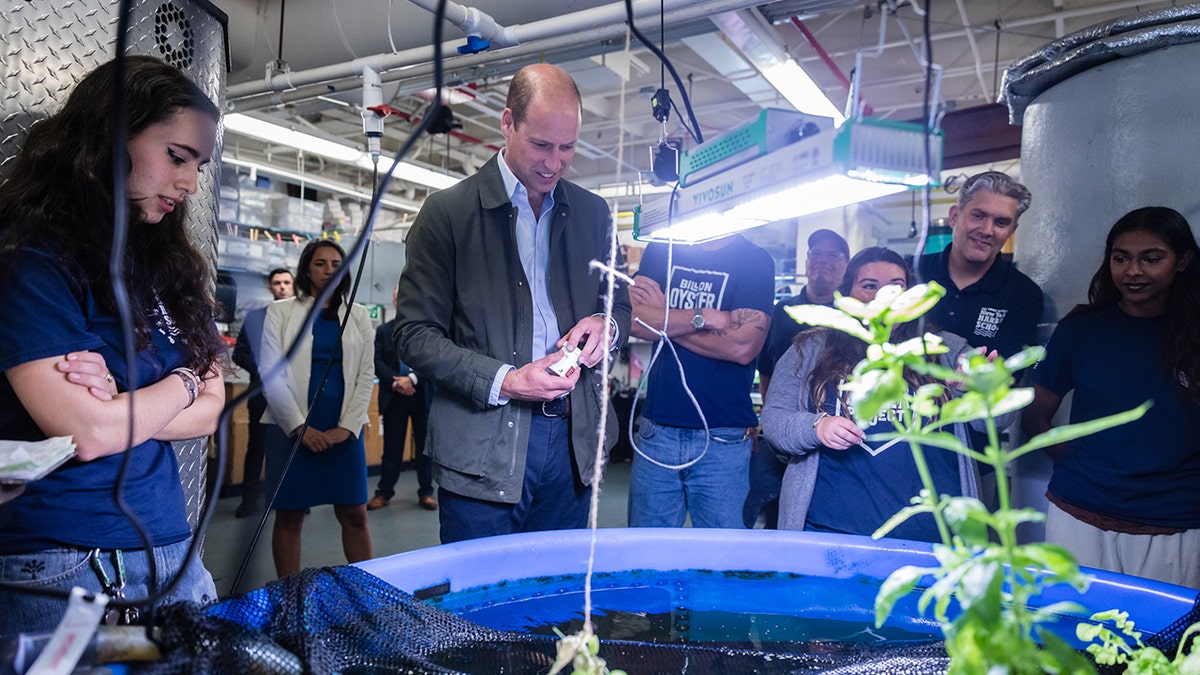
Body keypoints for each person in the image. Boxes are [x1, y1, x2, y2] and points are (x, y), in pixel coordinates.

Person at [0, 55, 224, 635]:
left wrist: (126, 398)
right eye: (176, 157)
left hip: (174, 548)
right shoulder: (35, 261)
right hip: (66, 561)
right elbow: (90, 434)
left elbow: (213, 408)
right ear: (108, 136)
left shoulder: (162, 265)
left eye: (198, 166)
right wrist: (180, 383)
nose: (189, 183)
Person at [395, 64, 631, 545]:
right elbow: (414, 335)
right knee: (481, 608)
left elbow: (621, 307)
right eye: (541, 145)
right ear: (507, 123)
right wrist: (509, 380)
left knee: (557, 604)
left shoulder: (593, 213)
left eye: (568, 148)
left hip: (572, 448)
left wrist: (607, 325)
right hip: (483, 448)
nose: (554, 162)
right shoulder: (448, 215)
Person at [1022, 206, 1200, 589]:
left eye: (1151, 259)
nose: (1133, 271)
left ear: (1182, 260)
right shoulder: (1082, 329)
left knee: (1161, 643)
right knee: (1074, 636)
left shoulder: (1195, 335)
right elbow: (1035, 417)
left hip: (1175, 521)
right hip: (1079, 512)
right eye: (1121, 258)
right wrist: (1079, 463)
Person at [761, 247, 989, 543]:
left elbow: (999, 423)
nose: (886, 296)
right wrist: (817, 427)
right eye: (870, 285)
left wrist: (984, 387)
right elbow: (774, 420)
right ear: (847, 295)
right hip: (830, 533)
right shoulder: (810, 349)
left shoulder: (946, 349)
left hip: (933, 537)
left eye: (897, 286)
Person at [627, 234, 775, 528]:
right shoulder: (661, 248)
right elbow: (633, 321)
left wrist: (664, 318)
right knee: (646, 554)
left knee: (723, 560)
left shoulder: (755, 260)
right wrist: (704, 315)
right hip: (658, 433)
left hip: (725, 438)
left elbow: (742, 347)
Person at [259, 239, 374, 577]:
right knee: (290, 515)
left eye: (336, 263)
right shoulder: (279, 312)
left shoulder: (359, 314)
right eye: (320, 263)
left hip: (344, 431)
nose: (328, 270)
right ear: (306, 270)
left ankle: (368, 593)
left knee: (355, 513)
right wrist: (298, 427)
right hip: (289, 430)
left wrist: (349, 426)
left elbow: (366, 374)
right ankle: (290, 594)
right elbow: (271, 373)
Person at [746, 228, 849, 528]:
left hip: (833, 438)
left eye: (833, 255)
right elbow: (766, 368)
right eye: (816, 253)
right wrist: (773, 418)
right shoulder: (783, 310)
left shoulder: (851, 315)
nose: (823, 260)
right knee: (773, 513)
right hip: (783, 433)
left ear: (846, 265)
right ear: (806, 261)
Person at [916, 170, 1043, 360]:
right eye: (978, 216)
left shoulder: (1023, 295)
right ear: (954, 217)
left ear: (1011, 230)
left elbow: (1006, 375)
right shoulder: (913, 271)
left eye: (1001, 222)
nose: (987, 230)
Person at [231, 267, 294, 518]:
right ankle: (249, 500)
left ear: (293, 286)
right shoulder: (256, 317)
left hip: (293, 393)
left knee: (290, 447)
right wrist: (262, 367)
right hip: (261, 392)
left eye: (286, 282)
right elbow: (239, 353)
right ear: (271, 288)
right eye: (277, 283)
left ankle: (291, 496)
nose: (282, 286)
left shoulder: (303, 318)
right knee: (257, 447)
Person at [368, 287, 436, 512]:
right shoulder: (383, 331)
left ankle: (426, 492)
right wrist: (396, 382)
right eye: (398, 298)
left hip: (422, 396)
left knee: (425, 448)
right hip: (394, 396)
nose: (402, 302)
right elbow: (376, 361)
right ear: (394, 301)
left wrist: (413, 379)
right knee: (392, 448)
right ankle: (384, 492)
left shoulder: (428, 331)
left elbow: (433, 361)